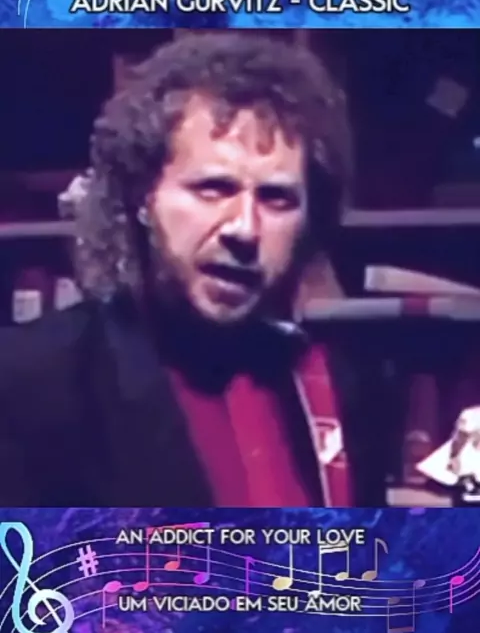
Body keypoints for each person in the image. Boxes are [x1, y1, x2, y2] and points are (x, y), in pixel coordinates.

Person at [0, 32, 393, 507]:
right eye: (213, 189)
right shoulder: (32, 384)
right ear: (142, 195)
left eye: (276, 199)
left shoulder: (338, 387)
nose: (244, 229)